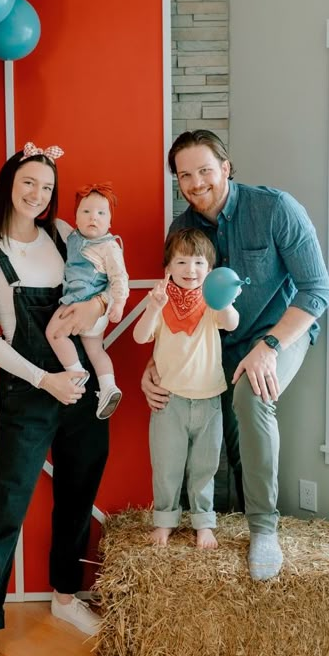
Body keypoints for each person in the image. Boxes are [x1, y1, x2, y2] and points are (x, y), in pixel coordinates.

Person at [141, 129, 329, 581]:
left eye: (205, 170)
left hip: (277, 332)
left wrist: (269, 348)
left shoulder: (276, 209)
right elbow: (175, 306)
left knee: (250, 396)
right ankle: (224, 522)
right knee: (222, 435)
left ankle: (265, 529)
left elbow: (316, 289)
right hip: (212, 343)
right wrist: (156, 364)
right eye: (184, 175)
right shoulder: (181, 230)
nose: (195, 182)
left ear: (226, 168)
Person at [0, 141, 110, 656]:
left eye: (47, 187)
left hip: (80, 384)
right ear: (9, 184)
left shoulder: (64, 235)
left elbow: (103, 289)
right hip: (30, 390)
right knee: (6, 506)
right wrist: (44, 379)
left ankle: (65, 597)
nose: (38, 194)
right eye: (29, 182)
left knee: (77, 490)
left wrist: (97, 310)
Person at [134, 227, 239, 549]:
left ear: (209, 270)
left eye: (197, 263)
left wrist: (225, 298)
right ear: (167, 269)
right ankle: (165, 521)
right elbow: (140, 336)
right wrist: (153, 306)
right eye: (180, 263)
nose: (189, 270)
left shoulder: (211, 305)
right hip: (170, 400)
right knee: (167, 466)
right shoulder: (161, 304)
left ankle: (203, 522)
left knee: (204, 468)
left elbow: (232, 323)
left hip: (208, 399)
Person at [46, 183, 129, 420]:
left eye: (101, 213)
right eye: (86, 212)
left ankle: (76, 372)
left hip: (81, 303)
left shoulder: (109, 246)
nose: (93, 217)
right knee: (95, 350)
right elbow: (56, 224)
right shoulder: (72, 235)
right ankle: (108, 387)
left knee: (54, 334)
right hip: (94, 314)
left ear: (110, 222)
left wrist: (119, 304)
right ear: (76, 218)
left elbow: (119, 277)